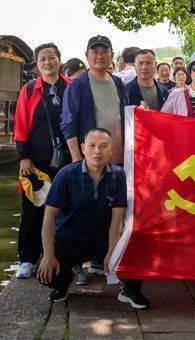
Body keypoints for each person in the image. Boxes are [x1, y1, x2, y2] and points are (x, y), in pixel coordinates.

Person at [37, 128, 149, 309]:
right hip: (69, 239)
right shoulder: (66, 174)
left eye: (103, 146)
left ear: (111, 149)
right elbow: (49, 217)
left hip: (101, 239)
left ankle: (130, 289)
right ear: (83, 148)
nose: (97, 151)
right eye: (92, 145)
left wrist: (112, 251)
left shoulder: (118, 175)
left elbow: (117, 219)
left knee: (135, 245)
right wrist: (48, 255)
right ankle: (63, 282)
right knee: (46, 274)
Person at [13, 43, 70, 279]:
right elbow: (20, 125)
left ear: (59, 59)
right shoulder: (29, 90)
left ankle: (64, 256)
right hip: (36, 162)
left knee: (66, 208)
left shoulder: (71, 87)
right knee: (33, 209)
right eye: (43, 59)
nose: (48, 62)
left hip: (67, 160)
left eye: (52, 57)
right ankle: (27, 258)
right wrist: (23, 156)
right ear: (37, 64)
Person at [61, 36, 128, 166]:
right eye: (95, 52)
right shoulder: (77, 86)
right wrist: (76, 157)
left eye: (104, 52)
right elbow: (68, 123)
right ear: (87, 55)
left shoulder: (118, 83)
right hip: (92, 159)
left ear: (112, 55)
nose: (99, 56)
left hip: (119, 157)